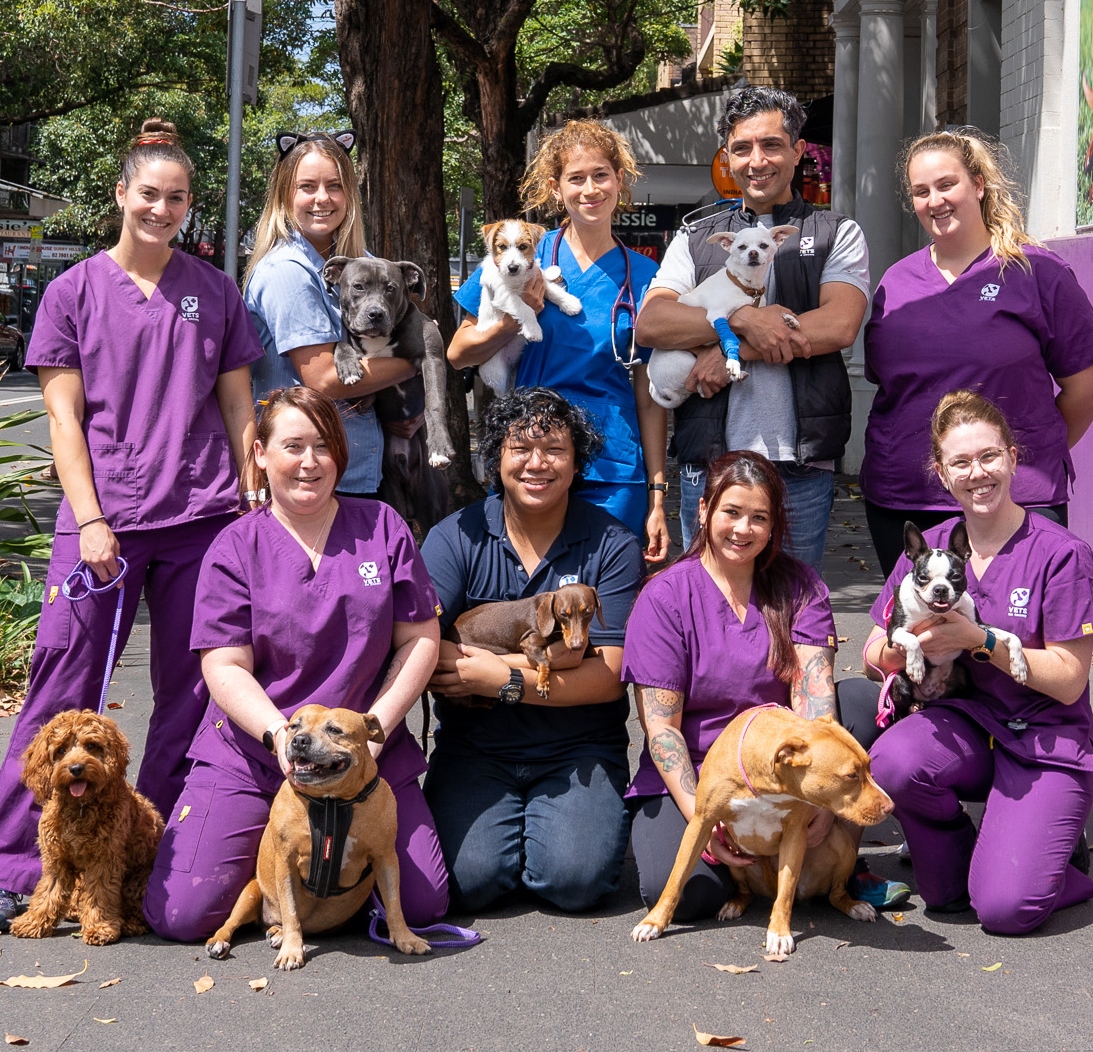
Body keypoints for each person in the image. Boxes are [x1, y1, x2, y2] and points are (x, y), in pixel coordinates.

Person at [0, 119, 264, 928]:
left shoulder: (214, 292)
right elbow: (63, 419)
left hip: (201, 515)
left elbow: (237, 405)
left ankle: (156, 859)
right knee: (62, 685)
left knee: (190, 692)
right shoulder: (73, 292)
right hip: (103, 519)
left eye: (177, 197)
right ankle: (16, 863)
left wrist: (251, 492)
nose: (162, 208)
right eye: (149, 193)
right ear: (121, 194)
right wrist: (88, 518)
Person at [144, 387, 448, 940]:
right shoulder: (235, 546)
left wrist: (373, 733)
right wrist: (279, 737)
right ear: (261, 454)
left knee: (423, 904)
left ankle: (323, 884)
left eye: (324, 446)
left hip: (360, 756)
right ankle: (275, 868)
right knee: (183, 913)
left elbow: (421, 638)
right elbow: (224, 664)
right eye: (293, 446)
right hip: (256, 755)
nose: (310, 462)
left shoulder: (382, 525)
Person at [622, 450, 903, 920]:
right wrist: (702, 817)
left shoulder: (799, 585)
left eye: (759, 517)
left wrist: (820, 805)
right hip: (702, 766)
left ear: (773, 526)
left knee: (860, 700)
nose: (743, 529)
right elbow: (662, 729)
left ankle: (840, 860)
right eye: (731, 512)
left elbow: (817, 713)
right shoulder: (665, 596)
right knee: (686, 894)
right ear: (704, 510)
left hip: (784, 762)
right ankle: (767, 864)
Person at [862, 390, 1093, 934]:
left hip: (1043, 737)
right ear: (941, 473)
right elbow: (873, 653)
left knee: (1004, 909)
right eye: (961, 462)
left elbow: (1069, 681)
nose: (977, 473)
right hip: (967, 721)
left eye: (989, 456)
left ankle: (1055, 862)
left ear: (1013, 458)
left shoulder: (1062, 553)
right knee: (894, 763)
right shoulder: (930, 550)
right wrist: (909, 647)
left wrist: (979, 641)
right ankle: (974, 852)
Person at [420, 388, 644, 912]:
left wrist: (500, 677)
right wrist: (553, 662)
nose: (536, 463)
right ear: (496, 458)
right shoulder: (456, 537)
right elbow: (425, 650)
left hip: (578, 747)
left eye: (555, 450)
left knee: (573, 881)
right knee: (467, 883)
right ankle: (512, 839)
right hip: (475, 746)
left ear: (577, 462)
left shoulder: (612, 544)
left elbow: (609, 674)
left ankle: (554, 833)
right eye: (520, 448)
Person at [635, 86, 871, 569]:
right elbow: (652, 323)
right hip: (711, 464)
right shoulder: (697, 237)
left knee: (793, 604)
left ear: (798, 150)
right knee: (710, 605)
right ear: (727, 156)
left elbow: (838, 324)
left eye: (771, 145)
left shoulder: (835, 232)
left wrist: (734, 350)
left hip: (799, 466)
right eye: (742, 148)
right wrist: (742, 317)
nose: (756, 161)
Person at [862, 128, 1093, 577]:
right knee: (926, 624)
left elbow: (1089, 387)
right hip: (906, 502)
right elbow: (892, 388)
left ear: (978, 184)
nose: (935, 201)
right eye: (921, 191)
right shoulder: (895, 283)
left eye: (946, 184)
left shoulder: (1038, 272)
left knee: (1014, 624)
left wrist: (1020, 458)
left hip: (1014, 502)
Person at [447, 120, 669, 560]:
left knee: (610, 591)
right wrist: (514, 320)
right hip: (532, 460)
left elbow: (649, 396)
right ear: (556, 188)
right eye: (576, 178)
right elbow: (457, 353)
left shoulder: (646, 276)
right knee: (530, 594)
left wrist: (657, 494)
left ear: (619, 179)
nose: (590, 189)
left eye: (601, 175)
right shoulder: (519, 253)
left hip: (612, 466)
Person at [244, 130, 415, 497]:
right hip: (306, 478)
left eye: (334, 186)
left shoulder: (364, 263)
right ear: (285, 195)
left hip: (358, 470)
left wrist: (403, 406)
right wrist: (419, 359)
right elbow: (324, 378)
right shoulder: (287, 270)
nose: (322, 198)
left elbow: (412, 325)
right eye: (307, 187)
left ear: (349, 194)